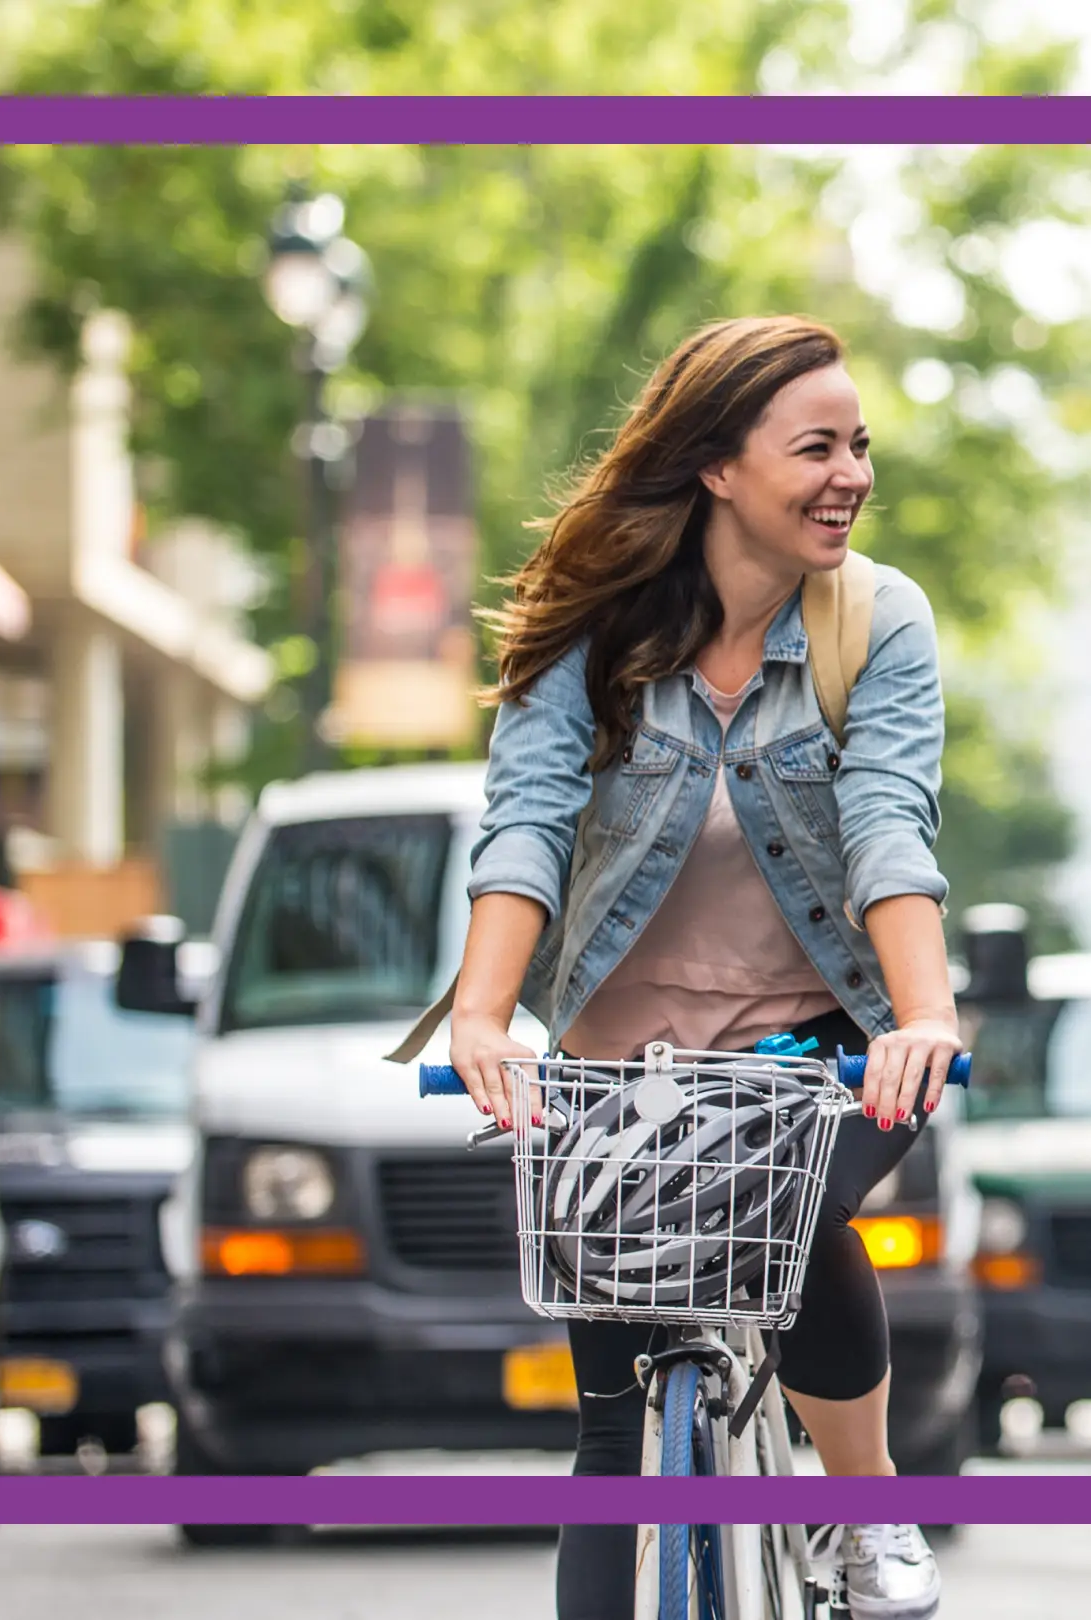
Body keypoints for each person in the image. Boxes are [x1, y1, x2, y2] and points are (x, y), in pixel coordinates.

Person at [420, 315, 955, 1620]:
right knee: (610, 1436)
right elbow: (529, 821)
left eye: (859, 447)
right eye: (816, 447)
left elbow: (890, 823)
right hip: (621, 1075)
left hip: (819, 1051)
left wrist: (923, 1014)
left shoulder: (875, 622)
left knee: (804, 1201)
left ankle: (863, 1514)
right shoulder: (590, 624)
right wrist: (485, 1017)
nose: (851, 475)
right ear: (715, 464)